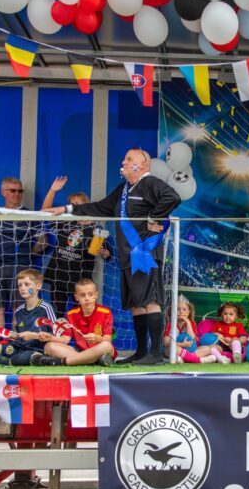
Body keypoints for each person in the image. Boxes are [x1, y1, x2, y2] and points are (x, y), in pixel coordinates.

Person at [44, 149, 181, 366]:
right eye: (124, 158)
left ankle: (156, 353)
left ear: (143, 164)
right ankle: (141, 351)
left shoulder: (150, 183)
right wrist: (67, 208)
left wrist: (153, 218)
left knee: (150, 301)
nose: (123, 162)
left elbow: (172, 197)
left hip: (145, 253)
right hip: (128, 254)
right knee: (136, 303)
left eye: (129, 159)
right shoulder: (123, 190)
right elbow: (101, 207)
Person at [0, 177, 47, 344]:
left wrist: (25, 256)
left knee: (19, 308)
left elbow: (42, 242)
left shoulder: (30, 215)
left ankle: (17, 345)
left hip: (22, 267)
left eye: (20, 191)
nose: (17, 194)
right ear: (3, 192)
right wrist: (1, 252)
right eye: (13, 190)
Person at [40, 177, 111, 316]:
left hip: (81, 279)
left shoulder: (96, 228)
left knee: (81, 315)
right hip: (58, 275)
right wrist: (52, 190)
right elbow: (44, 212)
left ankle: (82, 338)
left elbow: (108, 254)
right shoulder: (65, 221)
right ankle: (57, 337)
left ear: (86, 206)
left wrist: (103, 252)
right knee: (56, 314)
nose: (73, 207)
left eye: (77, 204)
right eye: (71, 204)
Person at [0, 269, 56, 365]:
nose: (22, 288)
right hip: (18, 347)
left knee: (23, 358)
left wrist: (34, 336)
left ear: (38, 286)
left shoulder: (46, 308)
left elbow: (56, 336)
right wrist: (12, 334)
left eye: (27, 284)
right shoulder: (19, 311)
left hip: (37, 349)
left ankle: (2, 361)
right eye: (20, 285)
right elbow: (19, 336)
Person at [32, 279, 117, 367]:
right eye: (82, 295)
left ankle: (62, 362)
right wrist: (51, 338)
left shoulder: (105, 312)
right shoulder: (71, 314)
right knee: (49, 346)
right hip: (80, 351)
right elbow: (65, 339)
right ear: (76, 297)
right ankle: (92, 360)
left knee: (106, 346)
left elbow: (108, 339)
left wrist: (97, 338)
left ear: (96, 295)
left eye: (90, 294)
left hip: (99, 349)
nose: (87, 298)